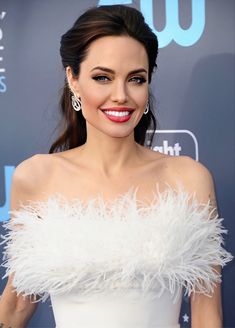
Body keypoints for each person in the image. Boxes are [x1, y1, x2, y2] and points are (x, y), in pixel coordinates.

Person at [0, 4, 233, 328]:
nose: (121, 95)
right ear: (74, 80)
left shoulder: (189, 179)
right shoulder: (36, 177)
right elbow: (16, 304)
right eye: (102, 77)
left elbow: (208, 315)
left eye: (136, 79)